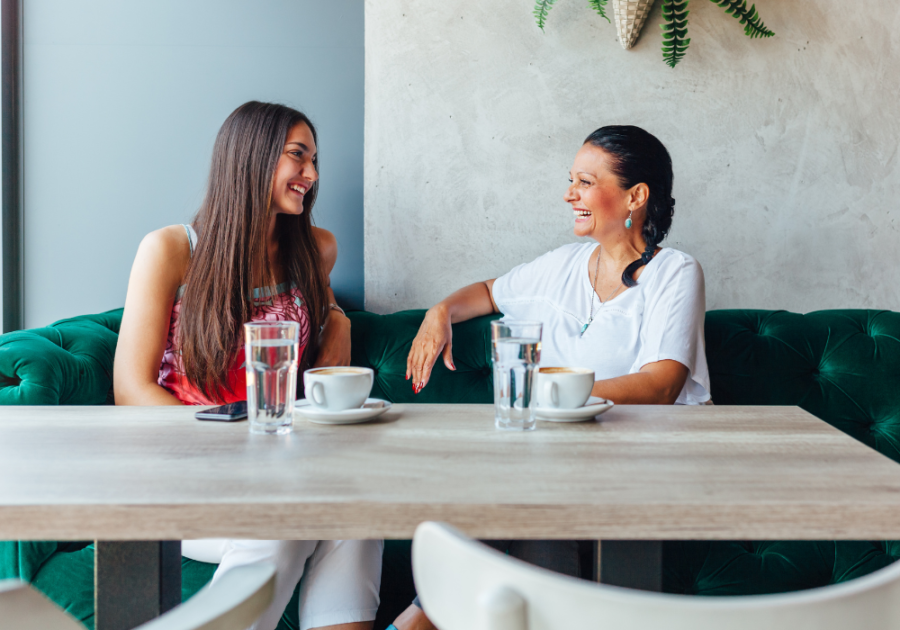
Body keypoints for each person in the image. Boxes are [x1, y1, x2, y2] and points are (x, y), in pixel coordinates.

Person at [392, 125, 711, 630]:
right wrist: (439, 312)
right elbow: (487, 293)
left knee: (526, 497)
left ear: (636, 195)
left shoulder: (674, 272)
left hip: (643, 469)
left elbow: (661, 386)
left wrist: (541, 394)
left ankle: (418, 617)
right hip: (557, 470)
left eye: (585, 181)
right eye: (571, 180)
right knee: (535, 514)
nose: (570, 194)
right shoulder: (560, 266)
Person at [114, 101, 381, 630]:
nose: (313, 175)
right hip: (185, 467)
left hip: (280, 463)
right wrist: (234, 445)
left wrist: (339, 319)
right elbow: (131, 387)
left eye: (315, 161)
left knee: (359, 506)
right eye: (298, 157)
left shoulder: (315, 248)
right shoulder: (170, 249)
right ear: (251, 157)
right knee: (285, 519)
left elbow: (324, 301)